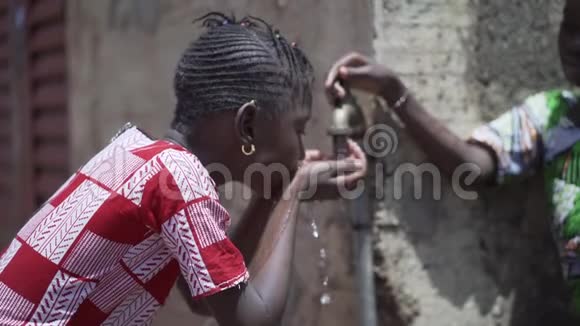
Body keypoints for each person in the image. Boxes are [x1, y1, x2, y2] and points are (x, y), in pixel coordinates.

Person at [0, 13, 367, 326]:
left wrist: (272, 196)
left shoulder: (139, 154)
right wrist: (293, 189)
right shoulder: (179, 180)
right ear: (248, 126)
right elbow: (252, 320)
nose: (301, 150)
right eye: (299, 130)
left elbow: (201, 296)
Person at [325, 0, 580, 320]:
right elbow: (469, 169)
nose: (574, 43)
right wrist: (394, 92)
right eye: (570, 27)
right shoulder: (554, 119)